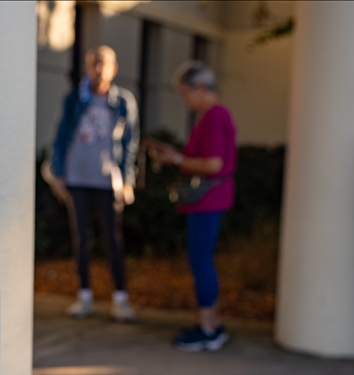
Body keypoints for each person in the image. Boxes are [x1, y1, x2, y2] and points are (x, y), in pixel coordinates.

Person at [146, 61, 236, 351]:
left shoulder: (214, 116)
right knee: (202, 259)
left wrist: (175, 159)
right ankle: (211, 323)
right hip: (209, 199)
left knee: (200, 260)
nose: (186, 101)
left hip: (207, 200)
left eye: (186, 93)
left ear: (200, 87)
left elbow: (213, 163)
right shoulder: (215, 116)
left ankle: (208, 327)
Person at [48, 46, 139, 322]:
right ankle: (84, 296)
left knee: (113, 239)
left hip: (107, 182)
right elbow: (61, 136)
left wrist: (128, 180)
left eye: (104, 64)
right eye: (94, 64)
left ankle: (120, 299)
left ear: (114, 68)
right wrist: (57, 175)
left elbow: (130, 144)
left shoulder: (123, 101)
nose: (99, 69)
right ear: (88, 68)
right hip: (77, 179)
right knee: (82, 238)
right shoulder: (76, 98)